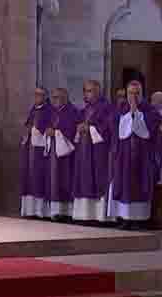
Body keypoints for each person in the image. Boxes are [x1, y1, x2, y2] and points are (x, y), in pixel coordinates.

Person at [108, 81, 160, 229]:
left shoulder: (150, 110)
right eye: (131, 93)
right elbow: (115, 128)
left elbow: (147, 132)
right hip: (123, 156)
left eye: (137, 93)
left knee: (139, 185)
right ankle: (124, 218)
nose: (134, 97)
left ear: (142, 93)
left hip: (142, 158)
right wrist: (129, 114)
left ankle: (139, 220)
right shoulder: (120, 109)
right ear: (126, 93)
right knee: (123, 185)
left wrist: (135, 114)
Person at [72, 80, 112, 222]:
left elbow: (107, 128)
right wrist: (79, 128)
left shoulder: (106, 108)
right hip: (84, 150)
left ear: (98, 91)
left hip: (98, 151)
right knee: (83, 179)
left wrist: (89, 128)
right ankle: (84, 215)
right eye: (86, 91)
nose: (88, 94)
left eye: (91, 91)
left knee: (97, 179)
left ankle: (98, 216)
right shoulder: (85, 110)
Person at [46, 88, 79, 219]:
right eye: (53, 97)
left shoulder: (72, 112)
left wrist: (57, 133)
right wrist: (49, 132)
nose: (54, 100)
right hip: (54, 152)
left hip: (67, 155)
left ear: (65, 98)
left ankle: (66, 212)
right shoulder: (53, 113)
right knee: (54, 180)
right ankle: (55, 211)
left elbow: (71, 130)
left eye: (57, 97)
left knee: (65, 179)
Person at [19, 87, 51, 218]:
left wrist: (36, 130)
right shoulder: (33, 109)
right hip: (30, 148)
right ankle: (29, 210)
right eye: (35, 94)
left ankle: (39, 211)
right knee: (29, 178)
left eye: (39, 94)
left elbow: (48, 127)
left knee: (38, 178)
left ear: (45, 96)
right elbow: (28, 125)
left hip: (40, 150)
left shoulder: (48, 110)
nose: (36, 97)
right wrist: (26, 131)